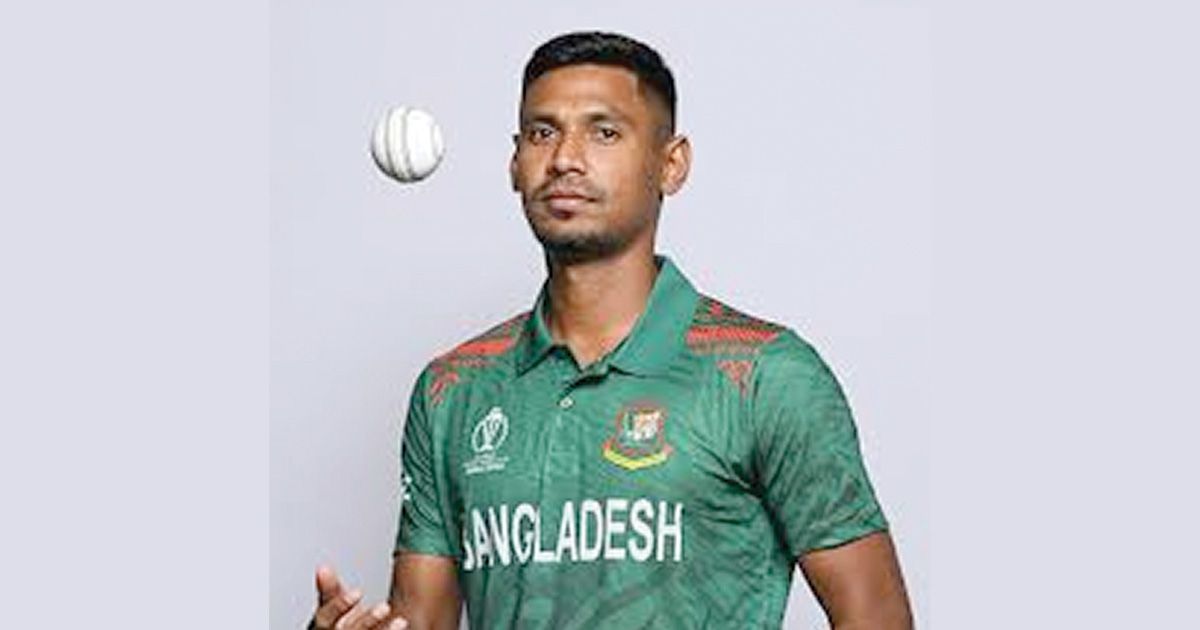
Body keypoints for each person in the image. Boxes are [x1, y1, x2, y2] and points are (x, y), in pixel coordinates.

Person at [309, 31, 912, 630]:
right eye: (542, 133)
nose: (564, 159)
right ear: (515, 164)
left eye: (604, 133)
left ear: (671, 164)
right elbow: (418, 621)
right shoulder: (452, 390)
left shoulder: (766, 375)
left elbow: (879, 618)